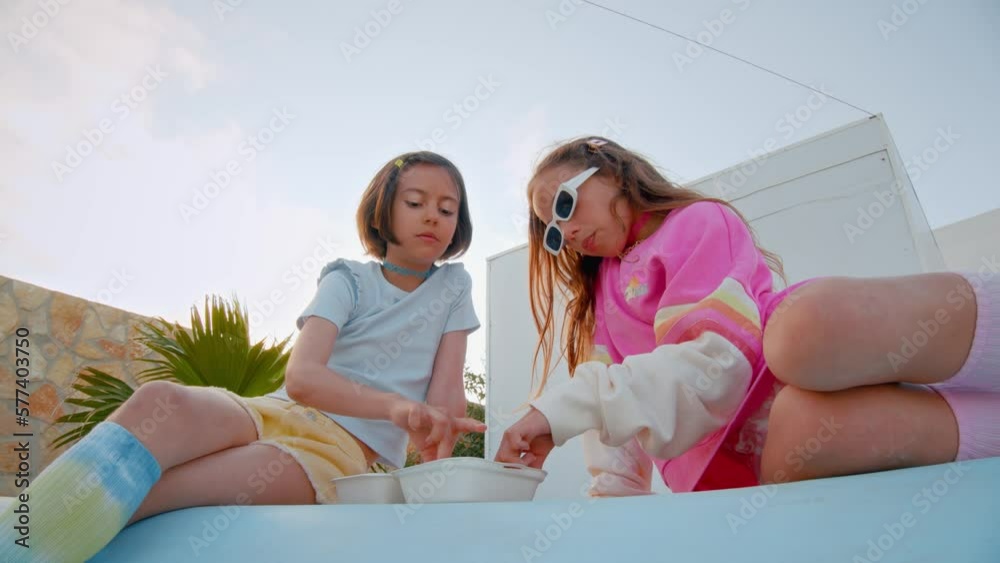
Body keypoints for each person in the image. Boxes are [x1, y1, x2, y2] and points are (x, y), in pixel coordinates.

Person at [0, 151, 485, 563]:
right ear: (382, 212)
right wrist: (396, 407)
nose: (432, 216)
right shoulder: (347, 279)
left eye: (447, 209)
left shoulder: (452, 286)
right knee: (160, 400)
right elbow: (303, 379)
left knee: (154, 494)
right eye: (416, 202)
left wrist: (437, 427)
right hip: (272, 410)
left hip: (340, 455)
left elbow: (446, 395)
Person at [495, 136, 999, 497]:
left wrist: (561, 410)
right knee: (798, 433)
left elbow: (718, 364)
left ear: (612, 170)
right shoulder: (600, 299)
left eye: (566, 204)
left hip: (781, 369)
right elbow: (614, 426)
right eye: (553, 232)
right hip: (734, 464)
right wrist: (612, 505)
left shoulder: (696, 222)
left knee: (803, 332)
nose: (567, 232)